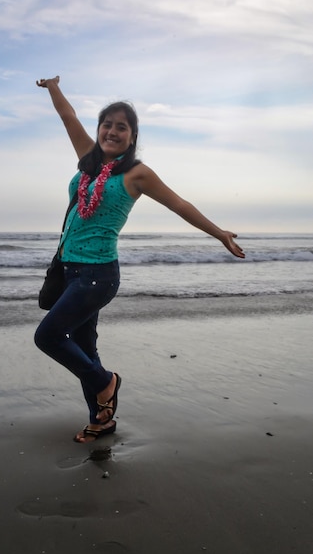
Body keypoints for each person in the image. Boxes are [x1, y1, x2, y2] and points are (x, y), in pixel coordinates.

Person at [34, 75, 245, 443]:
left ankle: (106, 382)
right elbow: (69, 118)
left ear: (132, 137)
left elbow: (179, 205)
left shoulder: (137, 174)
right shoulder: (88, 160)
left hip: (98, 276)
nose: (112, 131)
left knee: (48, 336)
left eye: (122, 127)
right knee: (84, 348)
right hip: (69, 270)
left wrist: (219, 233)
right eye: (107, 124)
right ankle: (101, 421)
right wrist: (53, 87)